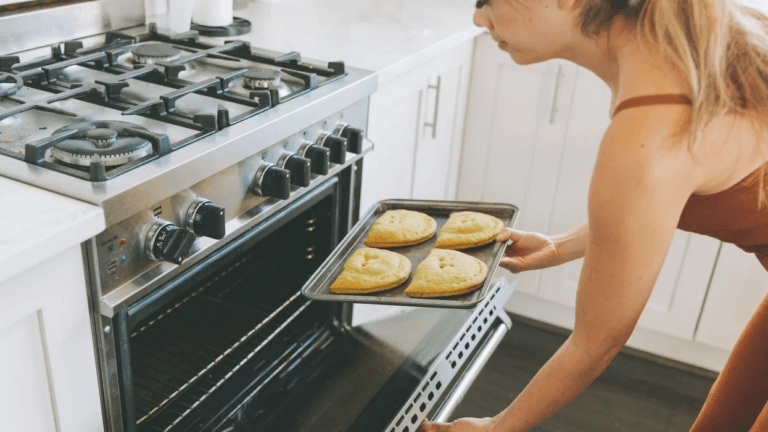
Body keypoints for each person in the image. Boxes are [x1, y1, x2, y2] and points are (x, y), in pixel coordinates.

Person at [418, 0, 768, 431]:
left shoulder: (650, 125)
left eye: (486, 0)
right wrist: (560, 246)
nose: (478, 18)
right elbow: (654, 201)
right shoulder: (684, 41)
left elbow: (595, 343)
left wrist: (497, 427)